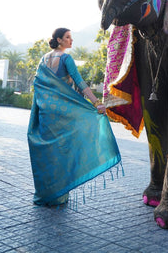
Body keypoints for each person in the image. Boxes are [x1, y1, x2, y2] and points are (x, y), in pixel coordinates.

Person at [27, 28, 121, 207]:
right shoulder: (65, 58)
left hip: (47, 113)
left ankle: (47, 194)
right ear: (59, 40)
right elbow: (80, 82)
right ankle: (59, 194)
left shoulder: (43, 60)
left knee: (49, 152)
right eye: (68, 37)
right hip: (63, 114)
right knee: (64, 150)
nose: (71, 40)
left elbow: (38, 86)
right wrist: (96, 103)